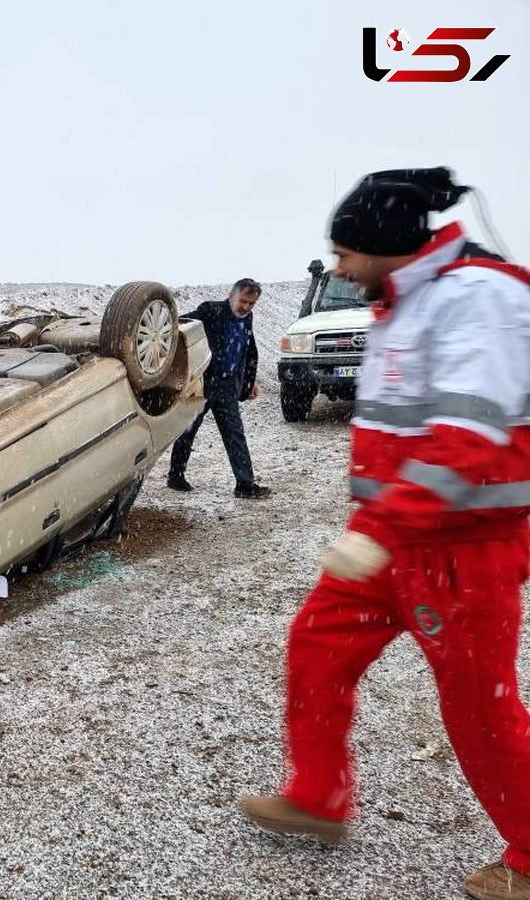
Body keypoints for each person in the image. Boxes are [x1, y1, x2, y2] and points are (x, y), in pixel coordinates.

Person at [239, 167, 530, 900]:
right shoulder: (405, 301)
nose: (336, 267)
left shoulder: (479, 298)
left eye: (343, 254)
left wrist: (385, 524)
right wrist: (378, 530)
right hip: (393, 542)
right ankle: (318, 795)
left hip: (460, 548)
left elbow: (468, 437)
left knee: (479, 708)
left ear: (383, 246)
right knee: (317, 643)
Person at [166, 277, 271, 498]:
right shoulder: (211, 310)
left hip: (228, 385)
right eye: (243, 301)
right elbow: (183, 325)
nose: (246, 307)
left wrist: (248, 384)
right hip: (203, 382)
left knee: (235, 433)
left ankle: (244, 484)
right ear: (231, 295)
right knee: (188, 429)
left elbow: (248, 351)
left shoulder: (246, 318)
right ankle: (176, 476)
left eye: (251, 304)